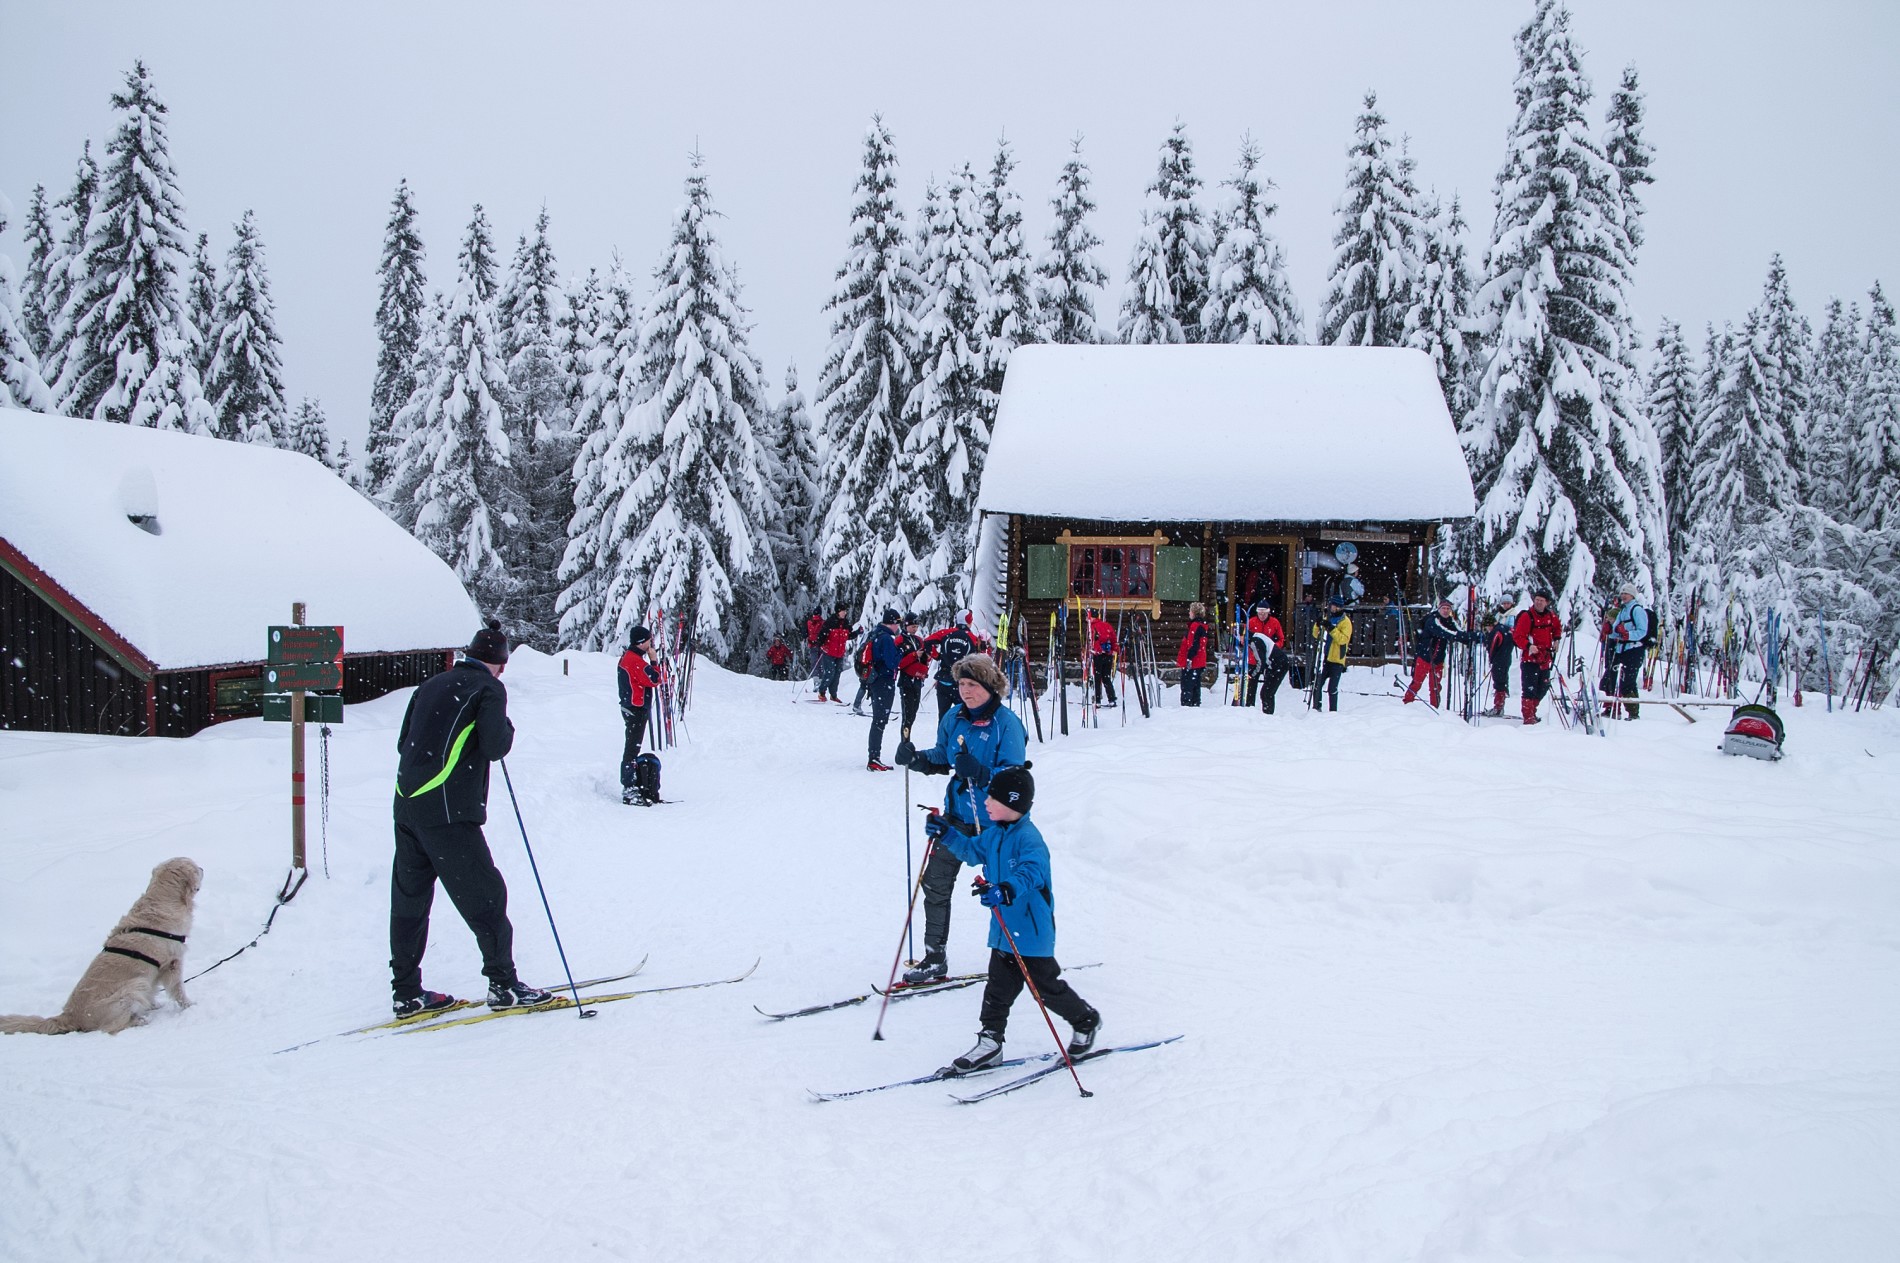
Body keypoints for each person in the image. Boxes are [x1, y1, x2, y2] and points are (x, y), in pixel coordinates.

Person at [389, 621, 553, 1017]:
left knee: (410, 902)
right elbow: (496, 746)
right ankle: (504, 985)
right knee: (486, 895)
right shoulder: (489, 688)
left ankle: (407, 992)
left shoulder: (431, 685)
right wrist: (505, 726)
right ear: (499, 663)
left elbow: (402, 742)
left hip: (407, 806)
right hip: (449, 813)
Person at [925, 765, 1101, 1072]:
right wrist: (947, 833)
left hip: (1031, 932)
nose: (986, 803)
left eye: (993, 799)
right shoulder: (995, 835)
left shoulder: (1029, 840)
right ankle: (991, 1041)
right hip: (1004, 931)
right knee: (997, 988)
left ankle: (1086, 1021)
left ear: (1013, 803)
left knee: (1045, 988)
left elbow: (1031, 873)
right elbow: (969, 851)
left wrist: (1006, 889)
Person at [894, 653, 1027, 984]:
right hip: (956, 820)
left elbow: (1016, 782)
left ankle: (1024, 954)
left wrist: (983, 773)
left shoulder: (1007, 725)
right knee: (936, 885)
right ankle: (934, 957)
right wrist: (917, 759)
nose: (966, 691)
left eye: (973, 685)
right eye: (962, 684)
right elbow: (944, 757)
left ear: (990, 685)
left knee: (1004, 892)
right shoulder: (954, 717)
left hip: (996, 826)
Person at [1402, 598, 1479, 707]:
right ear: (1439, 609)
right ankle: (1407, 703)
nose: (1446, 611)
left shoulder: (1450, 621)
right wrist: (1467, 637)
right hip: (1424, 657)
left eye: (1448, 609)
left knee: (1435, 686)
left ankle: (1435, 707)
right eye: (1443, 608)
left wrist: (1470, 638)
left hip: (1438, 659)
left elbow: (1458, 632)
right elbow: (1446, 633)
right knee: (1417, 682)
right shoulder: (1433, 620)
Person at [617, 625, 661, 804]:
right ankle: (629, 788)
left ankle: (632, 785)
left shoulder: (631, 658)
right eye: (649, 640)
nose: (651, 643)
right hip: (635, 708)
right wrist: (654, 660)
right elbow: (654, 679)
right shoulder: (634, 660)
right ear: (642, 643)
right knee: (632, 749)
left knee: (632, 748)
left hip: (633, 707)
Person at [1512, 591, 1563, 724]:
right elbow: (1518, 636)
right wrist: (1529, 646)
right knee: (1529, 689)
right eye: (1537, 599)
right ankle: (1528, 717)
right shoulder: (1527, 616)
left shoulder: (1551, 616)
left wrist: (1556, 640)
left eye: (1542, 600)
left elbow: (1557, 628)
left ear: (1547, 602)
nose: (1538, 602)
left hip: (1545, 658)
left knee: (1543, 687)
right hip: (1530, 659)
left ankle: (1532, 711)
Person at [864, 608, 904, 771]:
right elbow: (892, 663)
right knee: (879, 720)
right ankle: (874, 758)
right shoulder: (886, 638)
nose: (898, 627)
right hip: (883, 681)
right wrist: (900, 652)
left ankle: (874, 756)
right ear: (893, 623)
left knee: (878, 720)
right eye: (897, 623)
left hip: (874, 681)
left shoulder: (875, 634)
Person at [924, 609, 981, 721]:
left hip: (944, 681)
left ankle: (942, 737)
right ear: (969, 621)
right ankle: (959, 738)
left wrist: (937, 656)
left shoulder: (946, 633)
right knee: (963, 717)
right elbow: (979, 657)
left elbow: (927, 642)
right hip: (962, 683)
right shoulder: (973, 638)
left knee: (943, 717)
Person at [1602, 584, 1648, 719]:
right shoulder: (1623, 611)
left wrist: (1628, 635)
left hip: (1634, 650)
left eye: (1626, 593)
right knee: (1611, 678)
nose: (1623, 596)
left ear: (1633, 595)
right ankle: (1613, 709)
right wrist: (1610, 632)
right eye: (1622, 593)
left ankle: (1633, 713)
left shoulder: (1637, 610)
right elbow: (1616, 631)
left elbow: (1642, 631)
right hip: (1622, 649)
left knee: (1628, 682)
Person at [1310, 596, 1352, 712]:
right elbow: (1316, 634)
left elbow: (1343, 639)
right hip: (1324, 657)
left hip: (1337, 659)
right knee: (1317, 685)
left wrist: (1331, 628)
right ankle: (1316, 708)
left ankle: (1333, 712)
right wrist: (1318, 624)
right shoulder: (1327, 617)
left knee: (1332, 688)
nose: (1330, 607)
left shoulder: (1345, 622)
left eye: (1332, 605)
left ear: (1337, 607)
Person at [1243, 601, 1287, 712]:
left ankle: (1267, 711)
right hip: (1254, 658)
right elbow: (1246, 640)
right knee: (1251, 686)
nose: (1262, 615)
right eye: (1259, 613)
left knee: (1268, 689)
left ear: (1268, 613)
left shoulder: (1274, 622)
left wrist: (1273, 649)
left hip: (1269, 659)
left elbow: (1281, 639)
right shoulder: (1251, 622)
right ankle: (1250, 708)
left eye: (1264, 613)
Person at [1481, 599, 1518, 717]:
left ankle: (1498, 707)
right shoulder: (1505, 629)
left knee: (1499, 684)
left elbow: (1491, 648)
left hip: (1499, 661)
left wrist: (1492, 660)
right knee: (1501, 683)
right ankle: (1499, 706)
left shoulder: (1496, 632)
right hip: (1506, 659)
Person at [897, 612, 931, 735]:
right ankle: (905, 741)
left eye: (916, 627)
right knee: (907, 714)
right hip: (906, 680)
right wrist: (913, 655)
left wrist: (926, 657)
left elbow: (924, 659)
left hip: (917, 679)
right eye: (912, 627)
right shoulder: (900, 640)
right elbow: (899, 663)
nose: (915, 629)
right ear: (906, 626)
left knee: (913, 712)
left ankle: (907, 739)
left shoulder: (918, 640)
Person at [1175, 602, 1211, 707]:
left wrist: (1189, 659)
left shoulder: (1195, 626)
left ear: (1194, 613)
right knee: (1195, 685)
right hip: (1199, 661)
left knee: (1187, 686)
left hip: (1193, 661)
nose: (1189, 613)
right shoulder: (1202, 626)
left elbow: (1193, 644)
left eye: (1190, 611)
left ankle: (1187, 706)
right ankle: (1195, 704)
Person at [814, 606, 850, 702]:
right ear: (838, 612)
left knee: (837, 674)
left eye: (845, 611)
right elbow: (821, 636)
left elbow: (848, 636)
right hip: (829, 652)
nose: (845, 613)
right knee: (830, 673)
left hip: (839, 653)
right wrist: (821, 646)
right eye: (843, 611)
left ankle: (833, 695)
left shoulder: (846, 623)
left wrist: (857, 632)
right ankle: (822, 692)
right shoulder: (830, 622)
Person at [1085, 608, 1118, 706]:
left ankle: (1097, 700)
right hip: (1108, 655)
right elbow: (1113, 638)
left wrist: (1094, 651)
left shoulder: (1092, 627)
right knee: (1106, 677)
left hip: (1098, 655)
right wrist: (1114, 650)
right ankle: (1111, 699)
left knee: (1097, 678)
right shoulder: (1106, 625)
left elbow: (1095, 642)